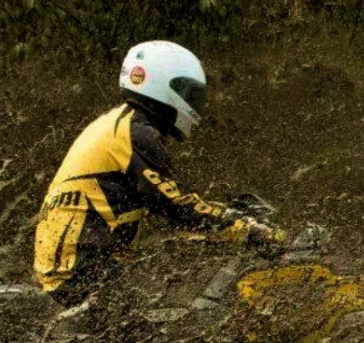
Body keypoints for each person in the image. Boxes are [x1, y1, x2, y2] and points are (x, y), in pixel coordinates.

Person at [33, 40, 282, 307]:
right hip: (81, 272)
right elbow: (175, 207)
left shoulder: (118, 123)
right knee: (174, 333)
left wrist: (226, 215)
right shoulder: (135, 134)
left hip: (76, 268)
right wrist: (246, 230)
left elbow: (171, 201)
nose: (195, 106)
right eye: (190, 94)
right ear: (165, 87)